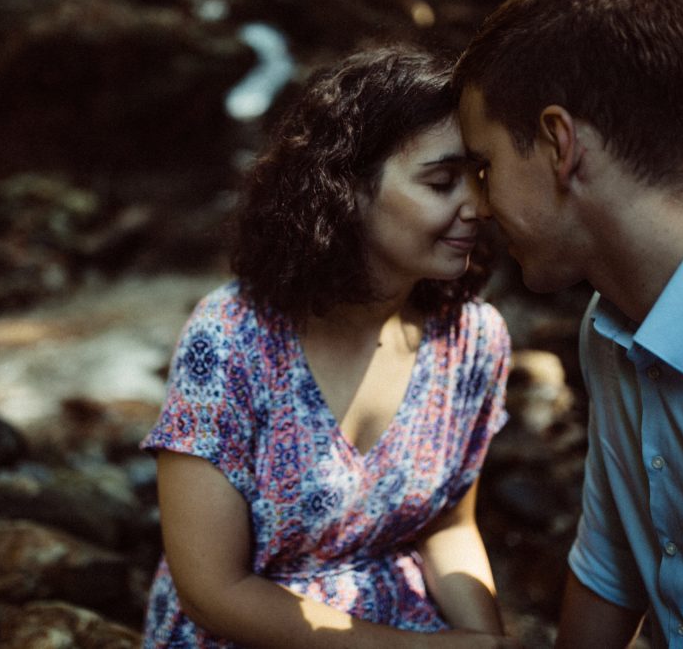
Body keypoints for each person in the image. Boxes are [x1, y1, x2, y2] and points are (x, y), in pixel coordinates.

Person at [140, 44, 518, 648]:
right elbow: (210, 591)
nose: (479, 206)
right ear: (348, 189)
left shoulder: (472, 339)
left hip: (403, 622)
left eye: (480, 177)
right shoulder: (231, 337)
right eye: (443, 182)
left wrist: (484, 639)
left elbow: (448, 527)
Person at [452, 0, 683, 646]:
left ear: (559, 143)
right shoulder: (606, 327)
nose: (477, 206)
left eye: (484, 166)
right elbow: (611, 559)